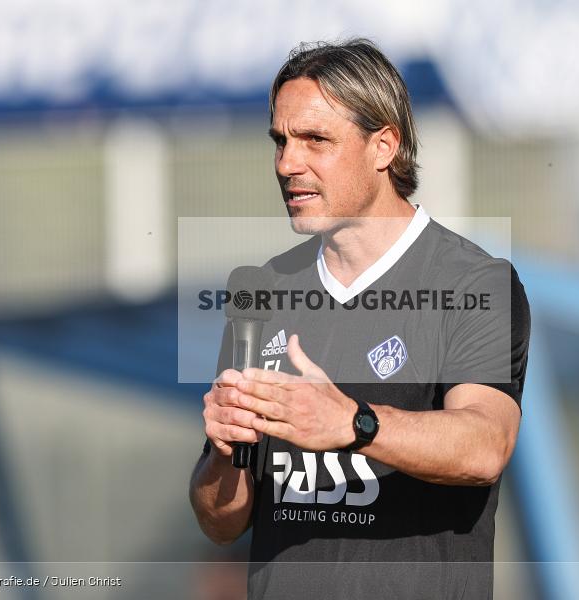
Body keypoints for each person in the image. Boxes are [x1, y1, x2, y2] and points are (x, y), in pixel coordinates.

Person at [189, 38, 530, 599]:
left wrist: (354, 423)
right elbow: (220, 522)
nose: (287, 164)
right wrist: (224, 454)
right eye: (280, 141)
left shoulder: (473, 282)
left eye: (315, 140)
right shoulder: (262, 291)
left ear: (384, 146)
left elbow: (484, 446)